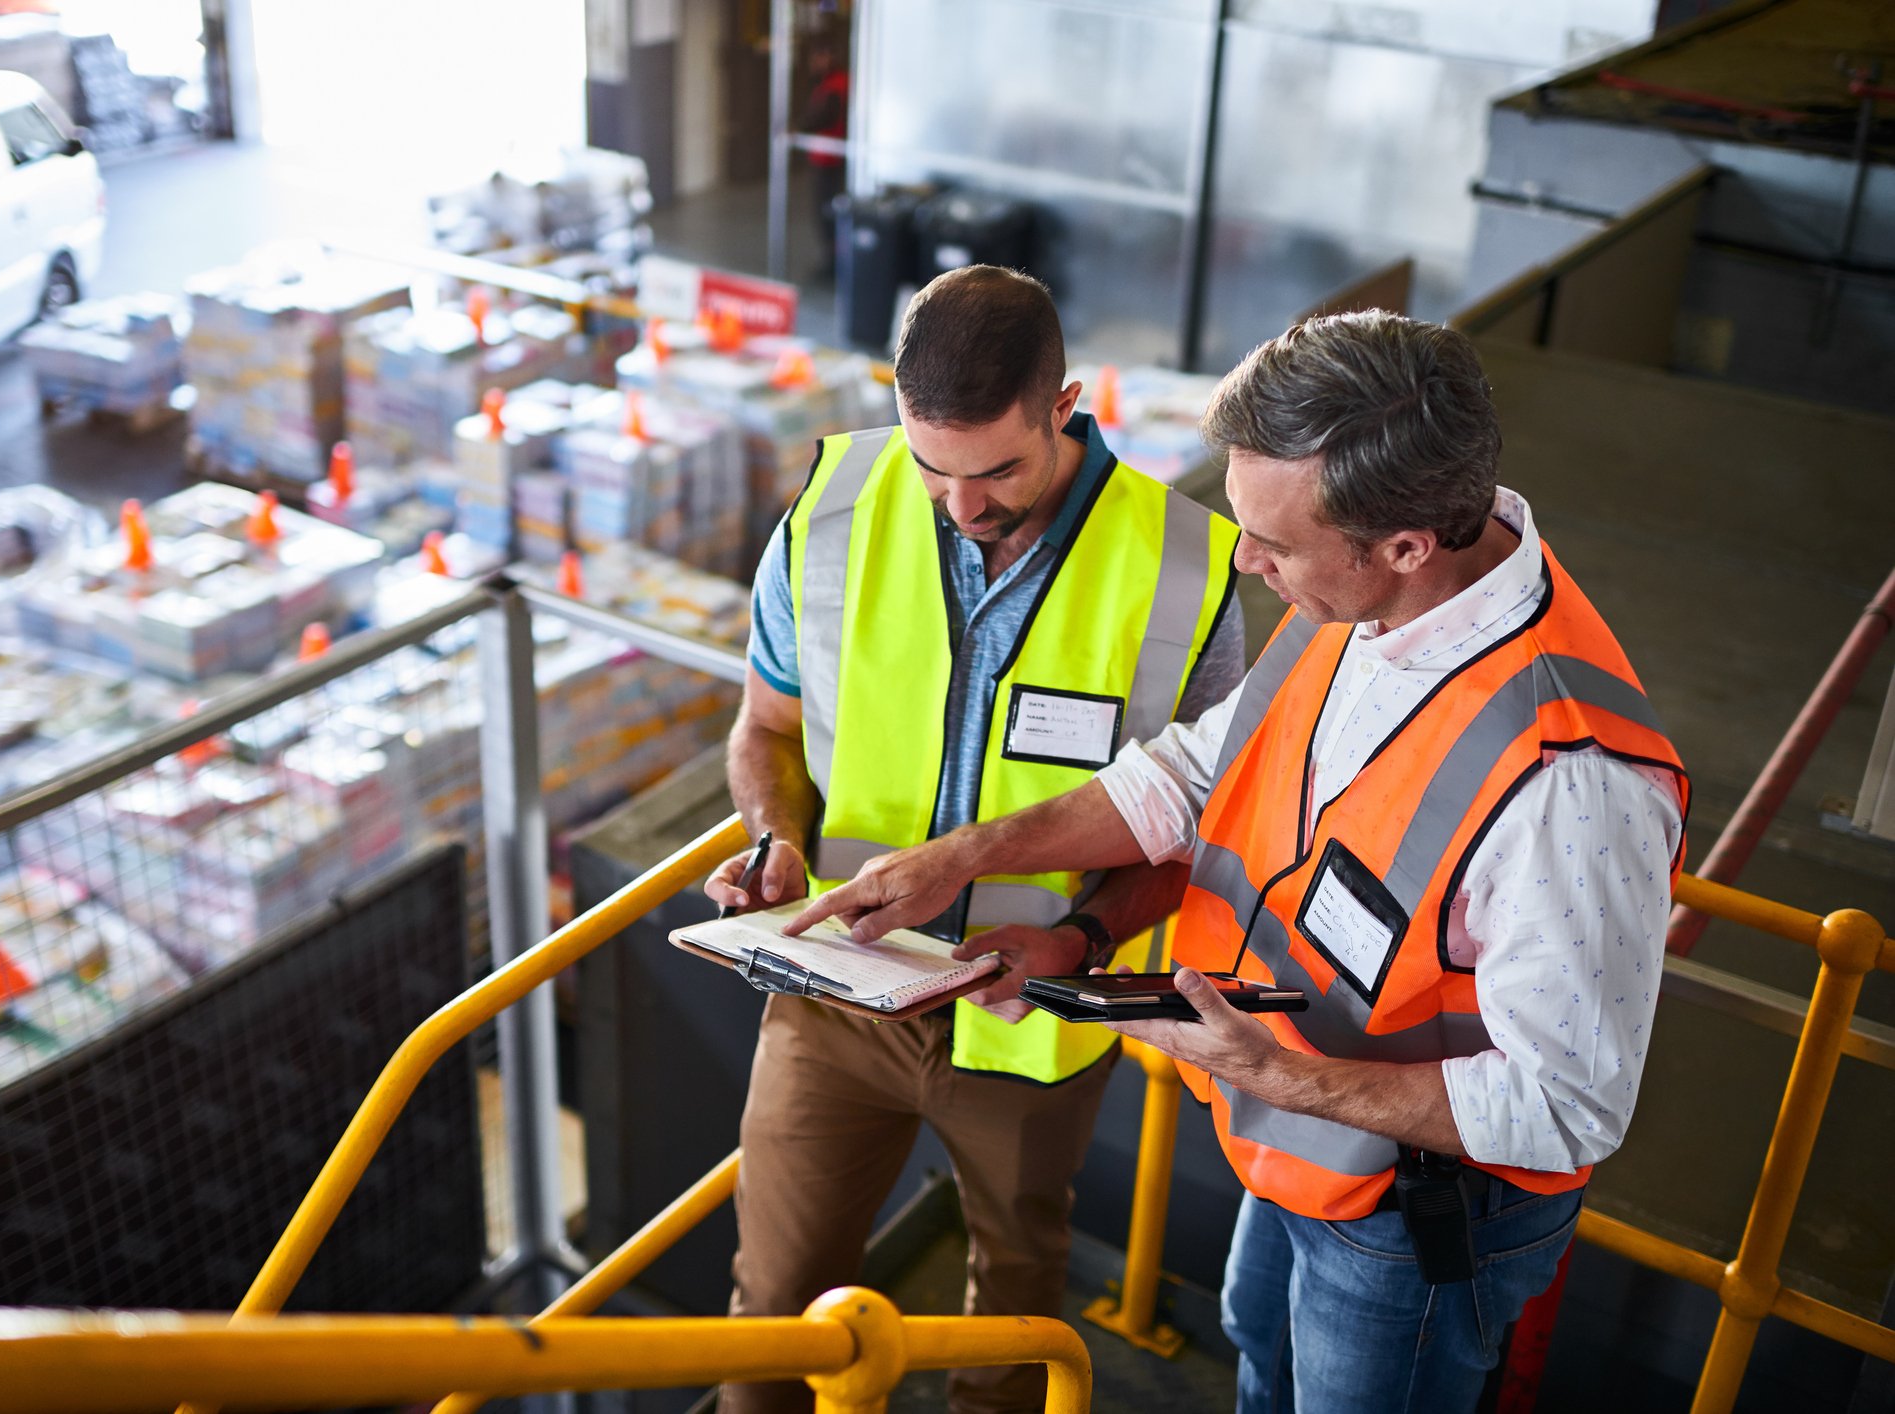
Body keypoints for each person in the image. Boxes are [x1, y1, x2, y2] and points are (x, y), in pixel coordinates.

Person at [788, 311, 1689, 1413]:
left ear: (1405, 543)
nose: (1245, 560)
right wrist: (968, 857)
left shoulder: (1570, 785)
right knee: (1258, 1352)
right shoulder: (1358, 597)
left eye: (1271, 541)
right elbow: (1190, 774)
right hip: (1302, 1139)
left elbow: (1564, 1106)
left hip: (1408, 1215)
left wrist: (1271, 1071)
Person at [704, 264, 1245, 1413]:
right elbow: (765, 725)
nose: (960, 503)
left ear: (1064, 405)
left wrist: (1088, 932)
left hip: (1030, 1023)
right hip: (834, 993)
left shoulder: (1191, 569)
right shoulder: (837, 506)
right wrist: (775, 839)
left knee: (1009, 1336)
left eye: (995, 468)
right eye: (930, 465)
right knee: (773, 1314)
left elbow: (1198, 831)